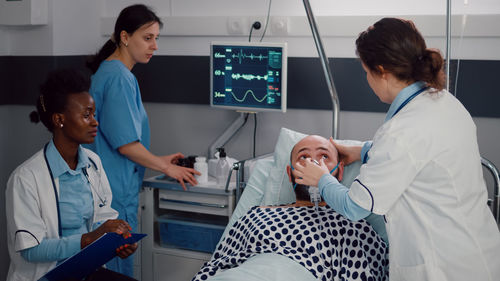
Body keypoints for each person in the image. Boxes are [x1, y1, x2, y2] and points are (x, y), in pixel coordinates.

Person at [293, 18, 500, 280]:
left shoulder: (400, 132)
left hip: (442, 267)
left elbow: (355, 208)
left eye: (366, 72)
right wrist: (362, 151)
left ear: (382, 71)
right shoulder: (446, 102)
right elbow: (420, 157)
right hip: (480, 253)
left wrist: (320, 179)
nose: (367, 79)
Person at [85, 4, 200, 276]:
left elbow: (116, 141)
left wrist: (160, 160)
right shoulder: (118, 78)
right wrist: (166, 168)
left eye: (156, 38)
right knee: (114, 268)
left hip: (112, 186)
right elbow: (125, 145)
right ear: (125, 37)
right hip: (113, 195)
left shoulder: (112, 73)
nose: (155, 46)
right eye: (148, 38)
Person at [192, 135, 388, 281]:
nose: (313, 163)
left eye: (324, 157)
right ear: (289, 172)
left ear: (340, 171)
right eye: (303, 157)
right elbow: (218, 264)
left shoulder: (353, 225)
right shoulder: (257, 214)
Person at [5, 69, 137, 281]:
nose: (95, 122)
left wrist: (117, 240)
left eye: (94, 114)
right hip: (46, 276)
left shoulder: (93, 163)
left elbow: (102, 218)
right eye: (86, 115)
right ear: (59, 120)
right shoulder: (25, 178)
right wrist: (89, 239)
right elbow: (31, 250)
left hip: (84, 271)